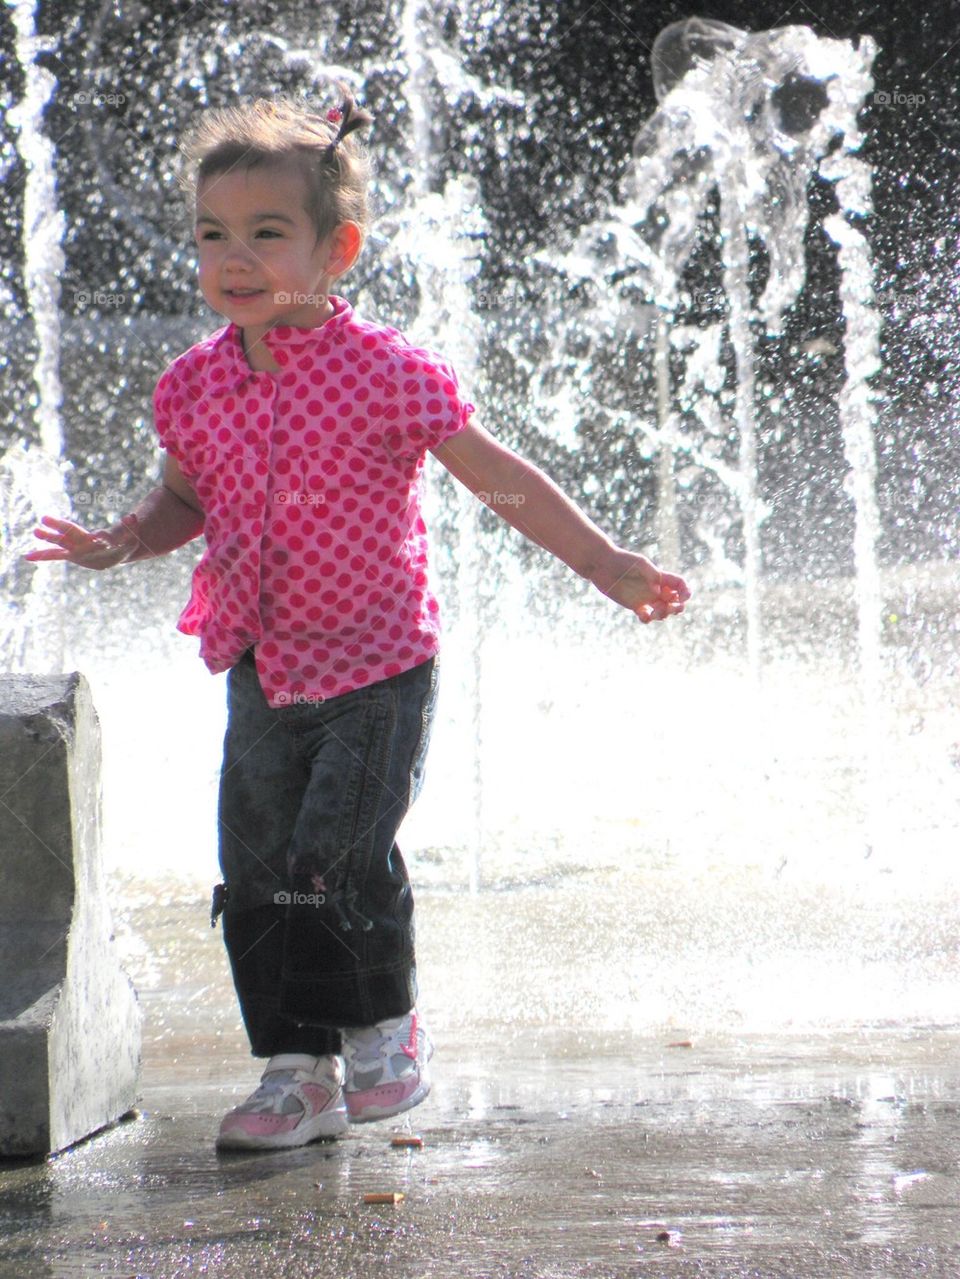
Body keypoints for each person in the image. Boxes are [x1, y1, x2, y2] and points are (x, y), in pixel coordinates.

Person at [26, 92, 690, 1152]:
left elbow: (495, 478)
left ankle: (385, 1025)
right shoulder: (193, 385)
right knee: (256, 868)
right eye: (213, 235)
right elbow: (183, 501)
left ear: (338, 249)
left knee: (337, 848)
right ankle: (298, 1071)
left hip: (379, 664)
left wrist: (603, 560)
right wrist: (122, 539)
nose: (233, 258)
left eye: (266, 234)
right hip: (261, 665)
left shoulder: (386, 372)